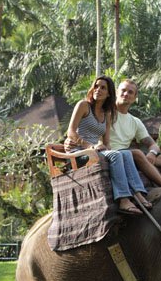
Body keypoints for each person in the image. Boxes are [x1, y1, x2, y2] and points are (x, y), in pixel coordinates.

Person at [63, 75, 150, 215]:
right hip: (78, 152)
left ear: (109, 93)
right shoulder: (84, 105)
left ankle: (138, 193)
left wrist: (104, 147)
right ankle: (123, 199)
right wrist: (89, 146)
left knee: (126, 153)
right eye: (96, 86)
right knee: (115, 155)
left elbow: (107, 142)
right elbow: (71, 132)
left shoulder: (107, 114)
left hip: (95, 152)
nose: (98, 90)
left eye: (103, 88)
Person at [112, 80, 161, 188]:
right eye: (123, 90)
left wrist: (152, 153)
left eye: (130, 92)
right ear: (116, 92)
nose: (126, 94)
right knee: (137, 153)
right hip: (112, 154)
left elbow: (153, 145)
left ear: (134, 98)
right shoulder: (106, 112)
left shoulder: (135, 121)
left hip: (129, 158)